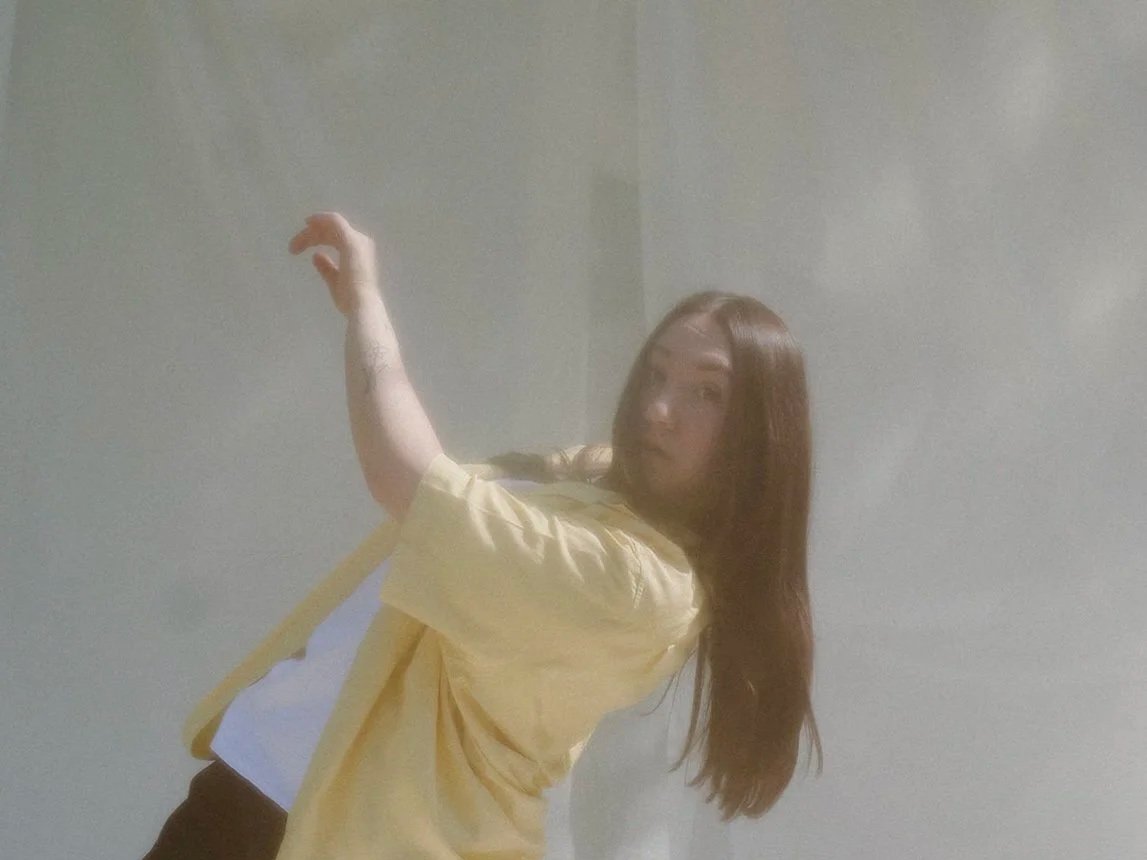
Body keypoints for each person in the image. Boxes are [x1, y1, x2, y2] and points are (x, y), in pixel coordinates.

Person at [142, 212, 822, 859]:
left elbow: (408, 477)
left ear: (758, 436)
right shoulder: (604, 492)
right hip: (265, 784)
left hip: (353, 833)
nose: (659, 410)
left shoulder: (637, 587)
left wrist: (366, 307)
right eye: (656, 372)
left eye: (707, 393)